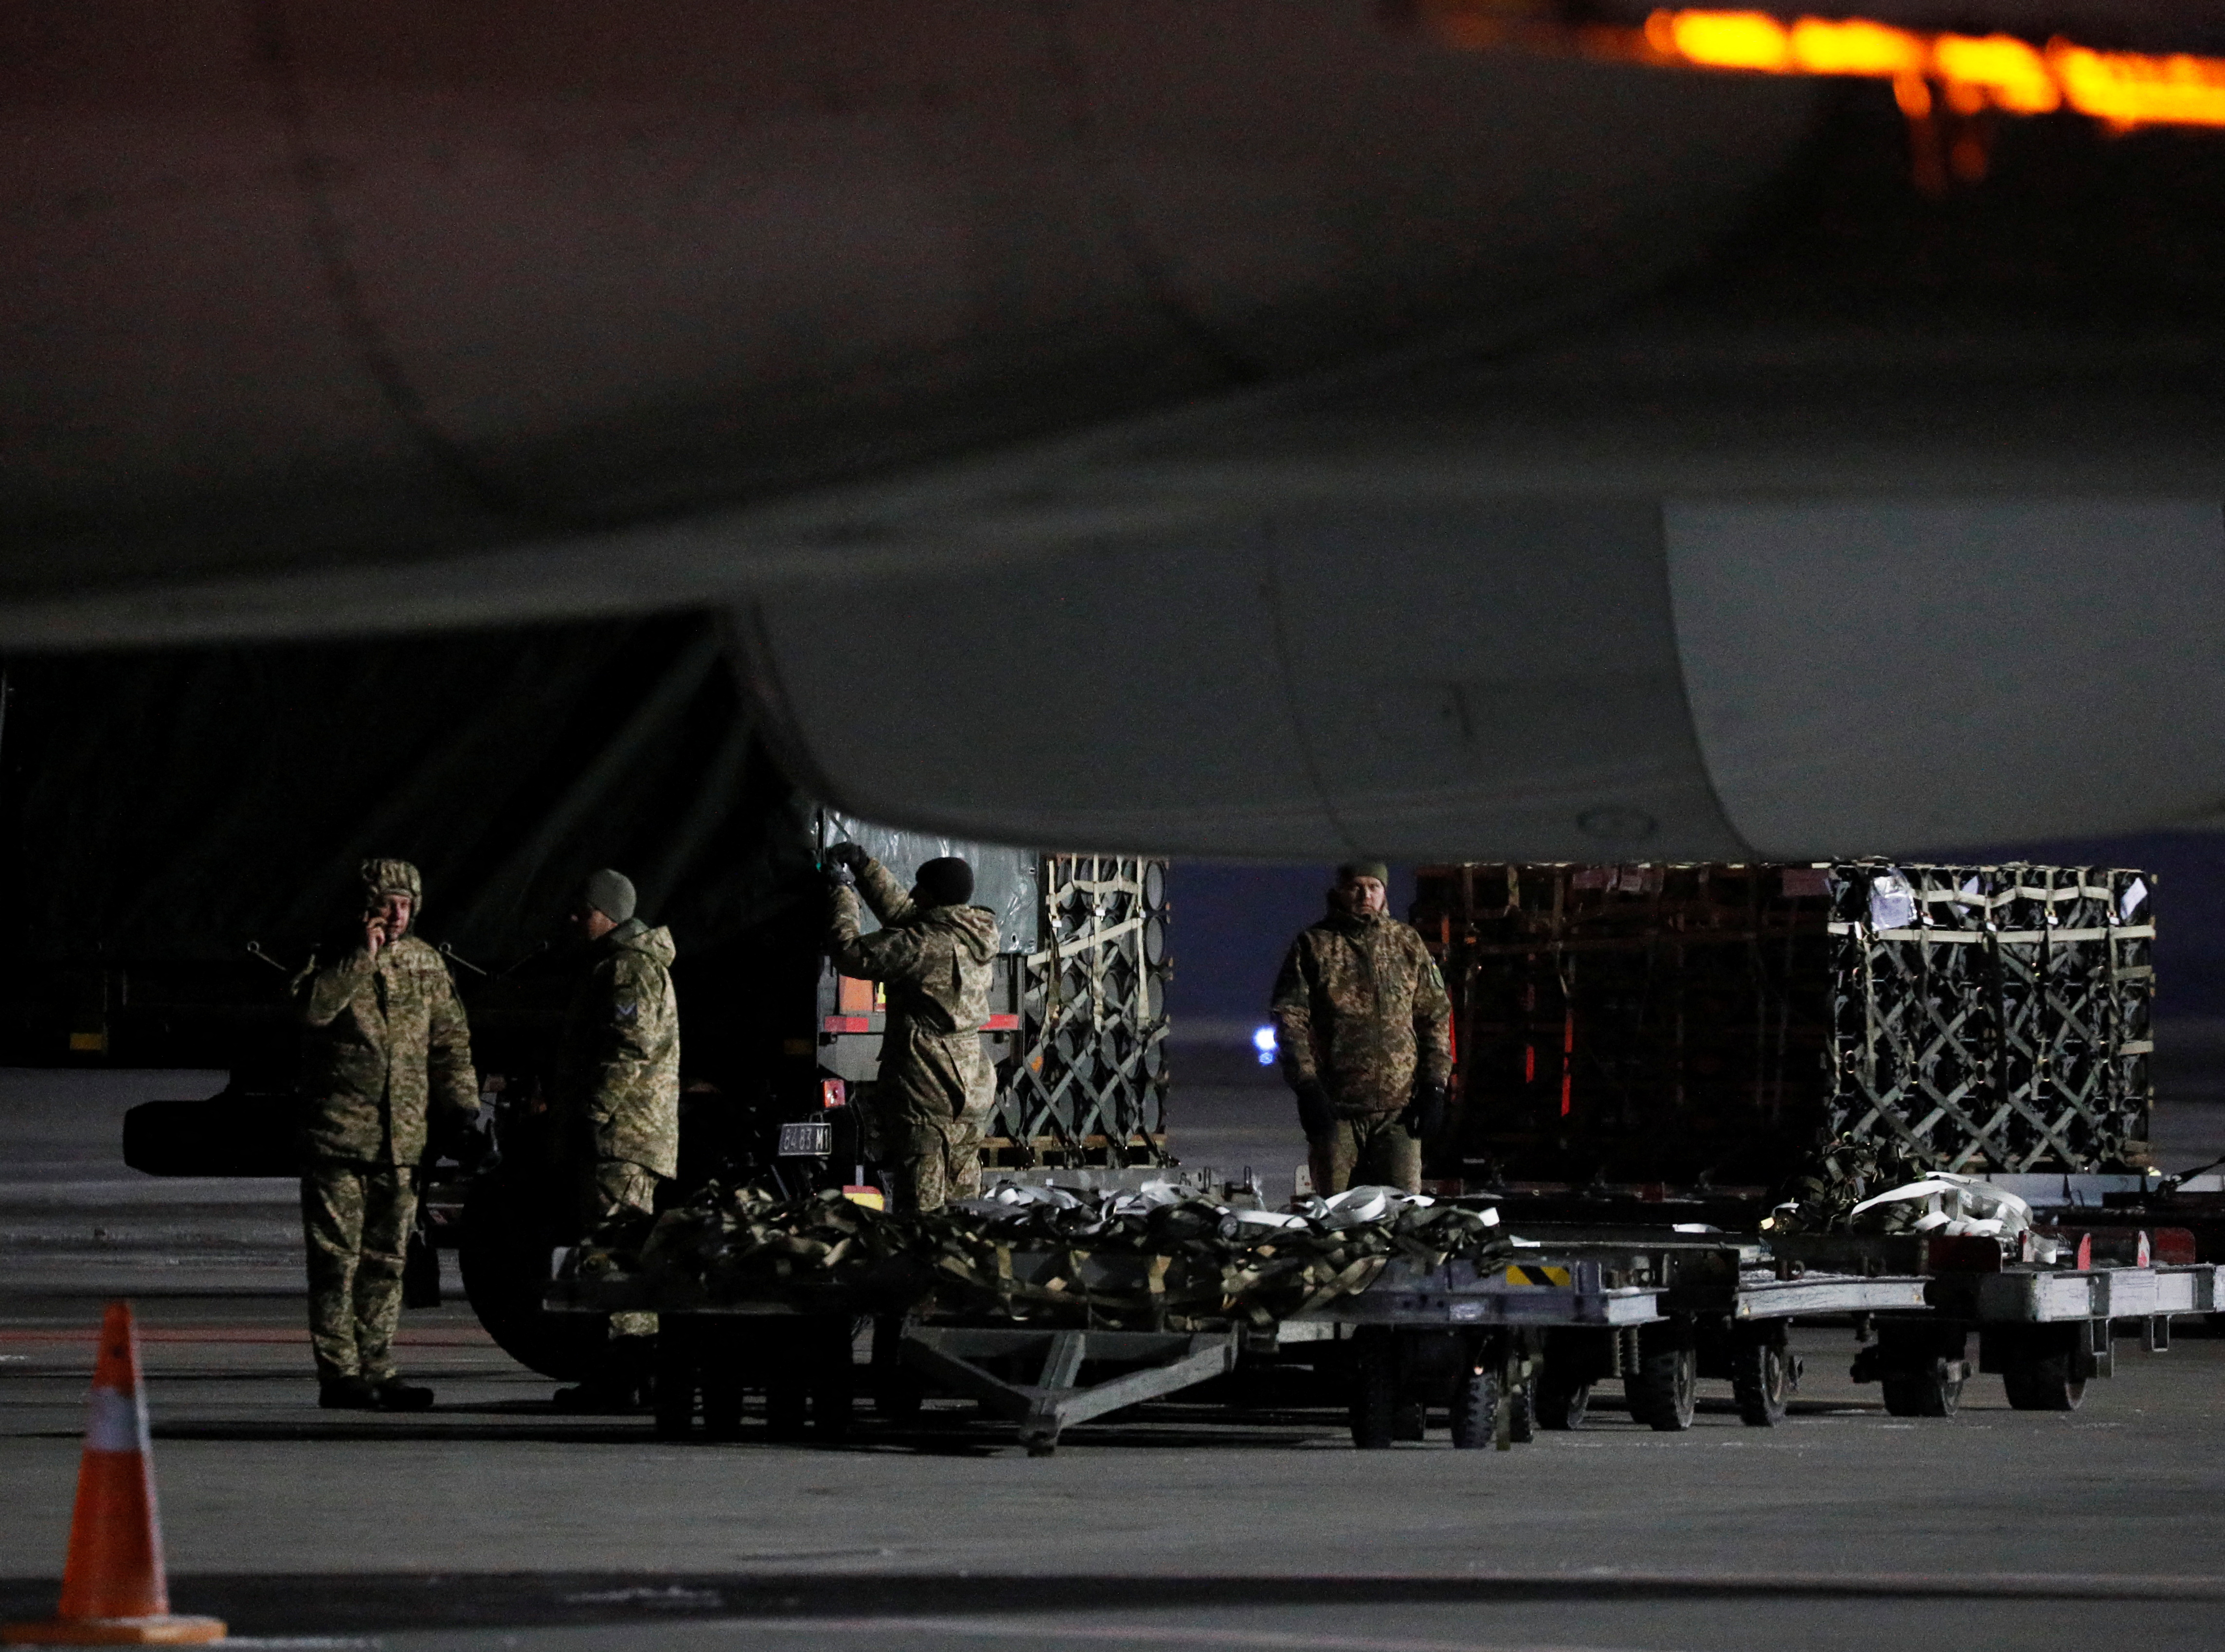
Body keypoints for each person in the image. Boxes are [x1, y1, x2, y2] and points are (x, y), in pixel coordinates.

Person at [293, 858, 478, 1410]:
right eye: (387, 903)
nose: (397, 915)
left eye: (405, 904)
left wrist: (463, 1109)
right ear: (365, 905)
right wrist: (357, 959)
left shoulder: (425, 964)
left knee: (387, 1259)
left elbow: (450, 1042)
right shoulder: (331, 957)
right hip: (341, 1138)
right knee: (336, 1260)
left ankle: (379, 1365)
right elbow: (309, 1013)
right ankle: (340, 1373)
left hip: (402, 1141)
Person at [549, 868, 679, 1410]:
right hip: (629, 1136)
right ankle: (626, 1373)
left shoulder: (628, 969)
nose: (575, 918)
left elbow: (630, 1049)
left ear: (610, 913)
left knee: (615, 1254)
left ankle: (623, 1376)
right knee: (616, 1250)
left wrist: (593, 1113)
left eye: (584, 909)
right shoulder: (622, 965)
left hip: (622, 1137)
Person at [824, 843, 998, 1212]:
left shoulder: (924, 945)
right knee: (965, 1209)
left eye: (921, 888)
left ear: (934, 897)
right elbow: (907, 914)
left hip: (928, 1089)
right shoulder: (974, 932)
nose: (913, 894)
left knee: (922, 1215)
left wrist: (841, 890)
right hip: (971, 1087)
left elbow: (850, 952)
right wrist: (864, 867)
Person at [1270, 861, 1453, 1196]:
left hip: (1399, 1111)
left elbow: (1435, 1016)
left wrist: (1435, 1086)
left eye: (1374, 887)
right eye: (1356, 886)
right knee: (1334, 1214)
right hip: (1337, 1111)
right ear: (1340, 890)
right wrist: (1307, 1086)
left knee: (1402, 1214)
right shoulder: (1315, 945)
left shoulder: (1407, 943)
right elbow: (1289, 1019)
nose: (1365, 895)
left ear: (1385, 892)